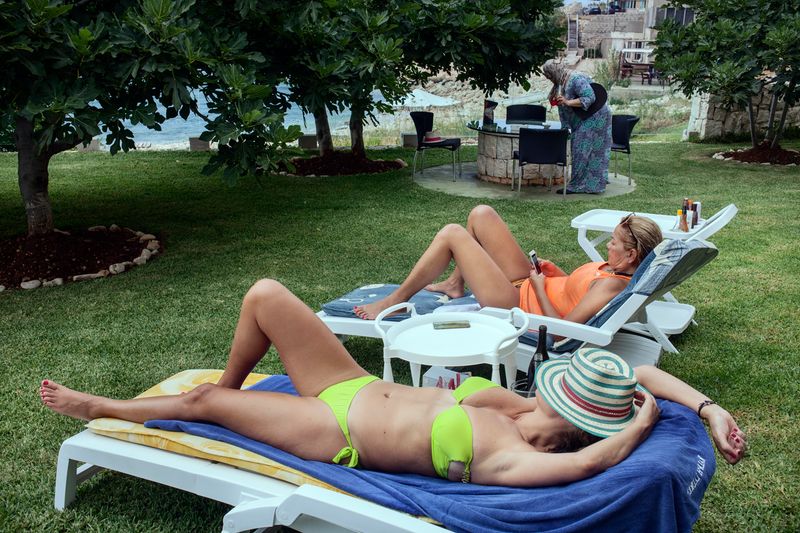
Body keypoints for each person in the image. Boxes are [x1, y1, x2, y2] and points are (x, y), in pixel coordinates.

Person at [40, 279, 746, 488]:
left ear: (579, 418)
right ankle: (235, 390)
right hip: (348, 381)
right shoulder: (521, 404)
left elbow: (595, 462)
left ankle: (105, 406)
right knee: (265, 296)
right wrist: (709, 408)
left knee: (203, 402)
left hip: (337, 430)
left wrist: (640, 427)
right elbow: (638, 371)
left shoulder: (522, 458)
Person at [354, 206, 661, 336]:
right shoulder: (616, 270)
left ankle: (395, 300)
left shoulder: (612, 286)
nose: (608, 244)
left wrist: (539, 287)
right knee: (481, 214)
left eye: (614, 242)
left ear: (631, 255)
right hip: (528, 285)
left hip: (517, 305)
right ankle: (454, 284)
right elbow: (576, 293)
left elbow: (560, 332)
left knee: (452, 233)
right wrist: (556, 274)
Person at [543, 59, 612, 194]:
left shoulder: (575, 79)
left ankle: (578, 185)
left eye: (548, 74)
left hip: (596, 115)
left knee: (582, 149)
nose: (547, 77)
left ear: (554, 72)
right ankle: (589, 183)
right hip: (584, 117)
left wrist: (568, 102)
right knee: (582, 148)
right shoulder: (561, 82)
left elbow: (589, 97)